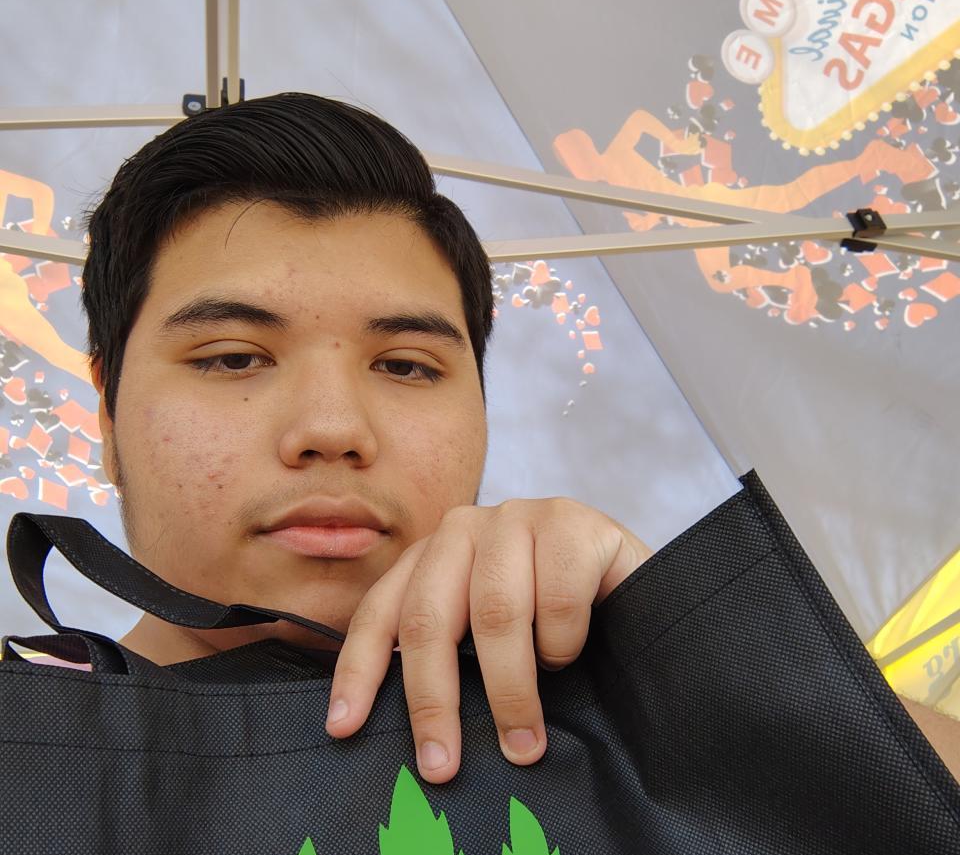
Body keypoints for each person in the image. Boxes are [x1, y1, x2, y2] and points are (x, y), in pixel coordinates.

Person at [68, 92, 958, 789]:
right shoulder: (32, 747)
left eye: (406, 366)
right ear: (107, 412)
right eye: (233, 358)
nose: (333, 430)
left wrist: (684, 645)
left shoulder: (633, 732)